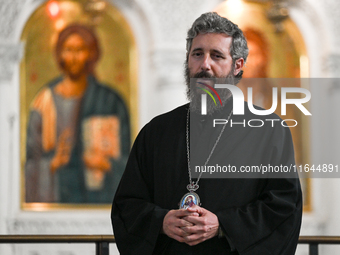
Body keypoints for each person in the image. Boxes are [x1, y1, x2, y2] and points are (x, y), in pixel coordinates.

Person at [111, 12, 302, 255]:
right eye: (197, 54)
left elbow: (284, 208)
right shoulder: (156, 132)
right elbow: (126, 205)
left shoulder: (269, 131)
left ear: (238, 65)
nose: (205, 66)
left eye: (217, 56)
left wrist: (222, 225)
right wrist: (160, 221)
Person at [25, 24, 130, 203]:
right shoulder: (44, 101)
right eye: (68, 50)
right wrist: (53, 163)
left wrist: (106, 164)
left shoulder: (109, 100)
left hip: (96, 197)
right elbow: (29, 163)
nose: (73, 57)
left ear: (91, 54)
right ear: (60, 53)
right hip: (57, 195)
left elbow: (129, 161)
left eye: (80, 50)